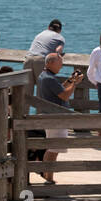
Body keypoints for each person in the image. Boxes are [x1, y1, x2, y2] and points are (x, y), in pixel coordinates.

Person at [36, 53, 84, 184]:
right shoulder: (49, 78)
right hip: (55, 118)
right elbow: (64, 96)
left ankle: (47, 175)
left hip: (49, 117)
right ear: (49, 63)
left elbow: (58, 90)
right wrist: (75, 83)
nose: (61, 65)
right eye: (60, 63)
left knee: (51, 148)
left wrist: (69, 80)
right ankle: (48, 177)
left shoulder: (44, 76)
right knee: (54, 149)